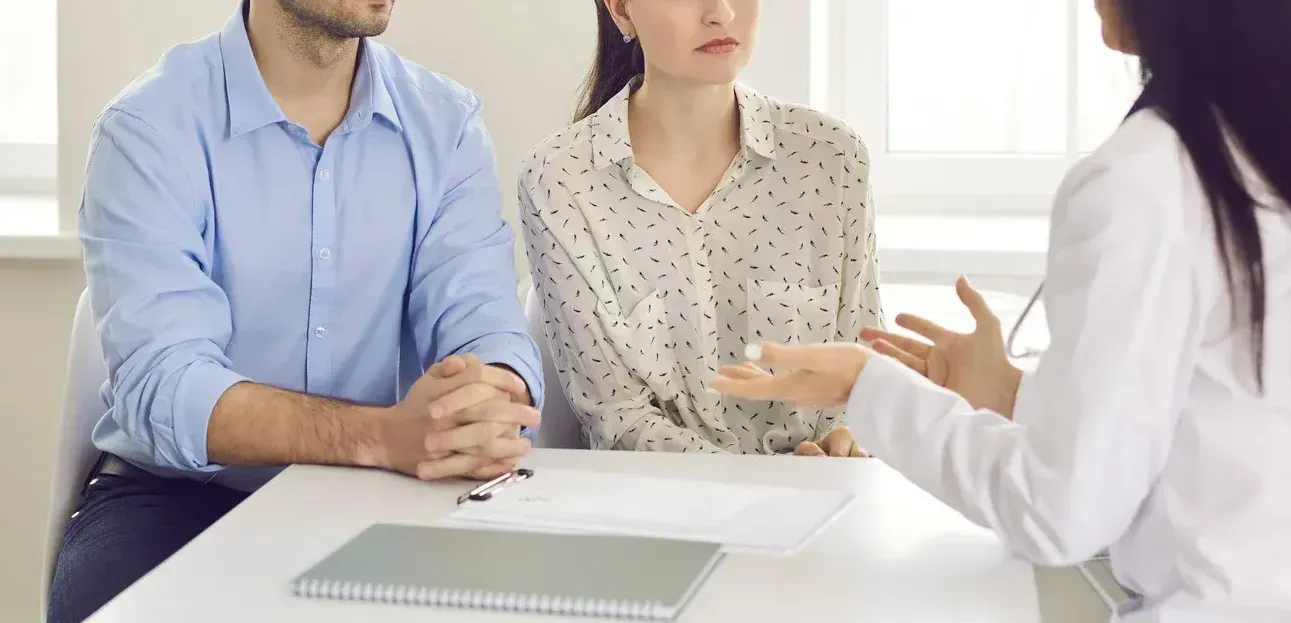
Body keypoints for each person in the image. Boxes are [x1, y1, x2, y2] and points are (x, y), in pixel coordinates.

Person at [713, 0, 1291, 620]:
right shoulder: (1250, 145)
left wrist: (868, 385)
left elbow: (1059, 512)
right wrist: (1012, 393)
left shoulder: (1145, 182)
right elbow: (1217, 411)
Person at [48, 1, 544, 620]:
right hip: (178, 496)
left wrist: (488, 397)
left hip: (394, 494)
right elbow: (166, 387)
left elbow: (484, 321)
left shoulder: (447, 125)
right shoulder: (148, 127)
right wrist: (381, 436)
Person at [518, 0, 882, 457]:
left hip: (822, 500)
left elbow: (862, 372)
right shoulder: (560, 179)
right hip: (658, 509)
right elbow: (616, 417)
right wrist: (766, 483)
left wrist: (846, 441)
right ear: (621, 10)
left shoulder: (831, 159)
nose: (721, 13)